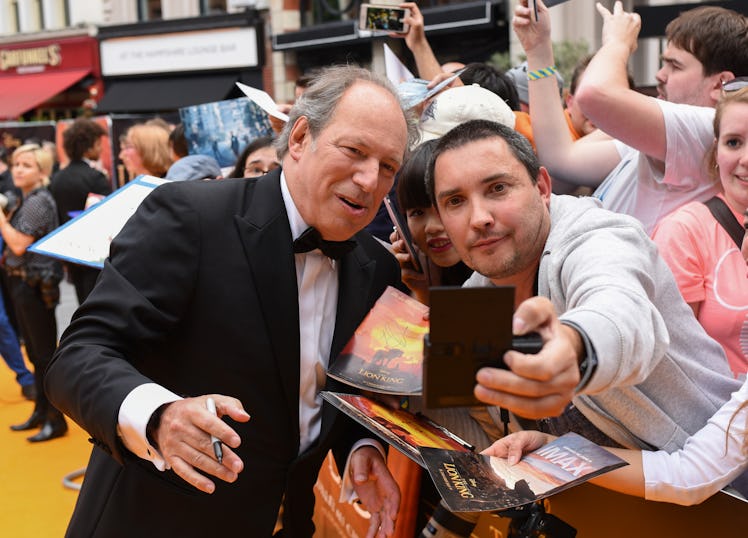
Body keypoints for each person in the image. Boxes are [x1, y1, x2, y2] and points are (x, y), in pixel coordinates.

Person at [45, 65, 418, 537]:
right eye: (355, 151)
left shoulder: (376, 267)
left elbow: (348, 389)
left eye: (389, 166)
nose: (370, 180)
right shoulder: (191, 217)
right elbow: (76, 357)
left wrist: (363, 445)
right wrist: (159, 416)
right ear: (300, 137)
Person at [515, 1, 748, 233]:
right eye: (663, 64)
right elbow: (560, 158)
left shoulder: (709, 127)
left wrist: (618, 42)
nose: (660, 75)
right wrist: (538, 49)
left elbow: (593, 94)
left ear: (721, 83)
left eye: (675, 67)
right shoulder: (660, 139)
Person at [651, 86, 748, 377]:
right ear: (717, 150)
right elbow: (674, 360)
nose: (745, 159)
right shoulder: (684, 232)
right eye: (734, 143)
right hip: (723, 415)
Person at [1, 144, 66, 442]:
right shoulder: (28, 200)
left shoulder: (37, 202)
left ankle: (55, 418)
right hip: (24, 283)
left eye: (26, 165)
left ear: (41, 171)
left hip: (34, 285)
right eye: (16, 164)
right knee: (37, 354)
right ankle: (42, 412)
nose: (17, 170)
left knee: (43, 354)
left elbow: (17, 245)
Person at [50, 118, 112, 304]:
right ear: (88, 146)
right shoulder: (96, 177)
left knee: (82, 303)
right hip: (97, 254)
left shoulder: (57, 178)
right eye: (98, 144)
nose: (101, 149)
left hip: (71, 251)